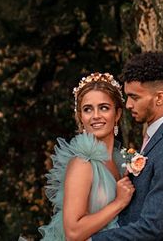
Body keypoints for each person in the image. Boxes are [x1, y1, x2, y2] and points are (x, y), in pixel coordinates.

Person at [91, 51, 163, 241]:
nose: (129, 105)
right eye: (127, 97)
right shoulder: (157, 136)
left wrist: (92, 240)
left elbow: (152, 227)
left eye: (135, 97)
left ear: (159, 97)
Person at [39, 73, 135, 241]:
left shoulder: (121, 161)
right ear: (80, 118)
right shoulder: (82, 164)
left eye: (104, 107)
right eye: (87, 109)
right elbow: (73, 232)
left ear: (118, 114)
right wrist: (119, 202)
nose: (95, 115)